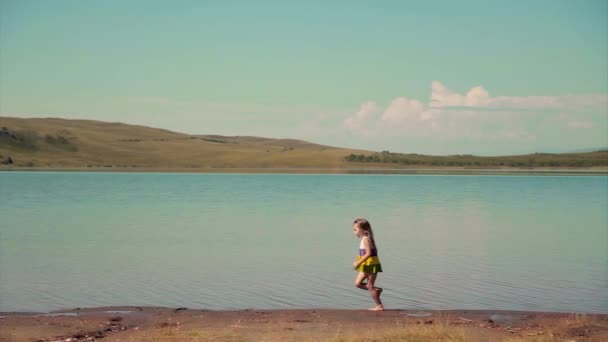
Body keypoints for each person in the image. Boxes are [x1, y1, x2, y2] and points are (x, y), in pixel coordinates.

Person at [352, 218, 384, 311]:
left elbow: (369, 253)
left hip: (370, 265)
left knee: (370, 286)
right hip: (365, 264)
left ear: (364, 229)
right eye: (354, 230)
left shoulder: (366, 239)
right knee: (357, 284)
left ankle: (379, 306)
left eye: (356, 230)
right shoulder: (364, 239)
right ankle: (376, 290)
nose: (354, 232)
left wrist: (358, 262)